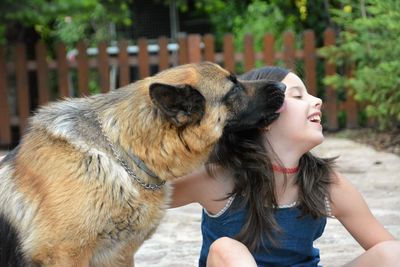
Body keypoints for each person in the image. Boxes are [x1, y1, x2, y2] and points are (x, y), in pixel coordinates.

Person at [170, 66, 400, 267]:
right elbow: (140, 192)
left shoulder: (327, 184)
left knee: (392, 253)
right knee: (226, 249)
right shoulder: (217, 179)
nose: (317, 100)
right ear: (263, 117)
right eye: (298, 96)